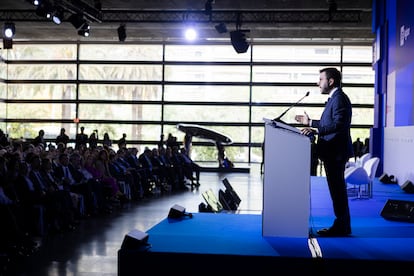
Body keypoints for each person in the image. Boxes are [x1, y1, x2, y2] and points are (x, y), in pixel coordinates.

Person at [295, 67, 353, 237]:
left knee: (338, 191)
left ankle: (342, 225)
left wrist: (316, 130)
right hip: (332, 152)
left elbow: (338, 125)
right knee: (337, 191)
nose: (317, 83)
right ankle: (343, 224)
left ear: (331, 81)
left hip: (335, 153)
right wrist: (311, 122)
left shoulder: (339, 99)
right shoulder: (335, 98)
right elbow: (331, 122)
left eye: (320, 79)